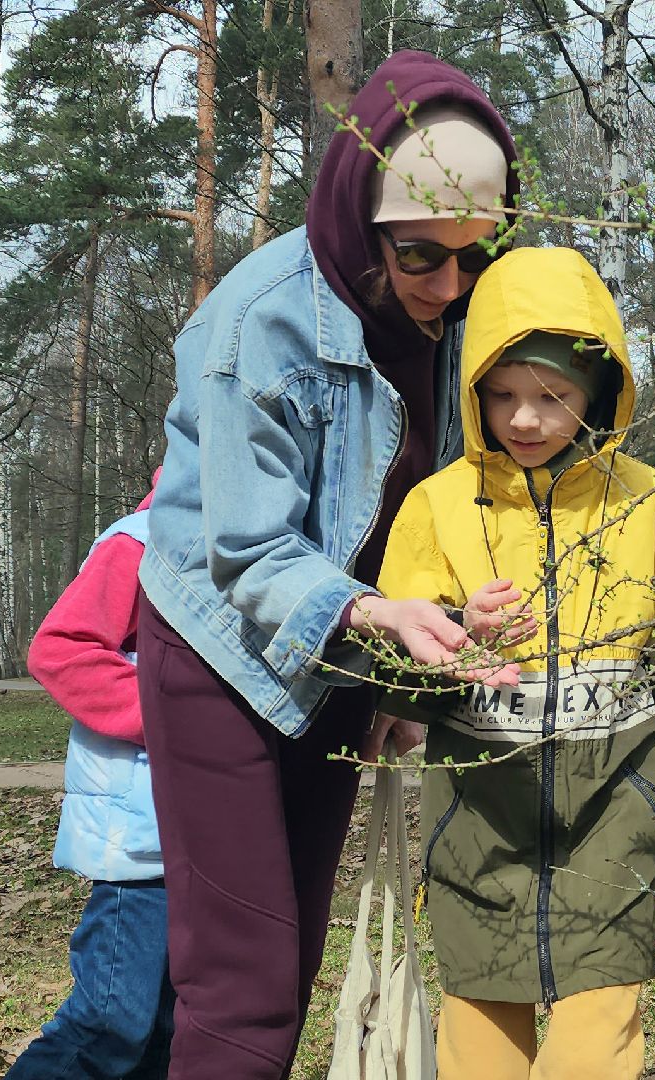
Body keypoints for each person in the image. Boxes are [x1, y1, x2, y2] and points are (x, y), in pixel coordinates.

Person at [134, 52, 526, 1076]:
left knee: (291, 959)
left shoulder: (455, 322)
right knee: (242, 983)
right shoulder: (258, 324)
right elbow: (250, 551)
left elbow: (416, 514)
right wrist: (376, 619)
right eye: (421, 258)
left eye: (478, 256)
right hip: (219, 648)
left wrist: (403, 660)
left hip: (347, 654)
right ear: (363, 221)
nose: (450, 287)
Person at [376, 246, 655, 1080]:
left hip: (617, 821)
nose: (525, 420)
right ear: (471, 392)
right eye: (501, 395)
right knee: (479, 1057)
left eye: (554, 396)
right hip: (477, 828)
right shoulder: (434, 507)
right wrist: (449, 632)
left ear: (602, 392)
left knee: (593, 1055)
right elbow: (389, 679)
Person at [8, 477, 170, 1079]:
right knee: (112, 1021)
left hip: (208, 835)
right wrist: (177, 721)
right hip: (138, 840)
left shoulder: (253, 549)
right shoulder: (140, 541)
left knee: (171, 1030)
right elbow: (61, 650)